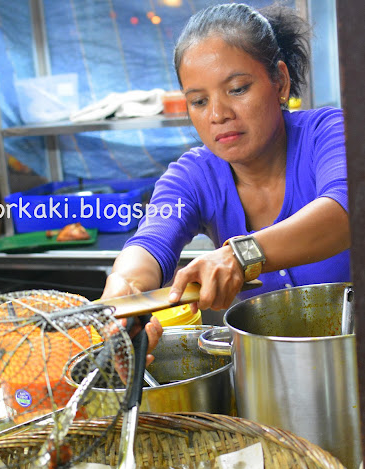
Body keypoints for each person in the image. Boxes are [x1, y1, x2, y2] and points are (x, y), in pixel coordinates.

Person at [102, 2, 350, 350]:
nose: (218, 114)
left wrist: (240, 255)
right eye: (199, 101)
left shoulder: (329, 133)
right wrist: (125, 289)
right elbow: (150, 242)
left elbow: (345, 213)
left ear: (279, 81)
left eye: (237, 89)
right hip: (270, 382)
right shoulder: (193, 175)